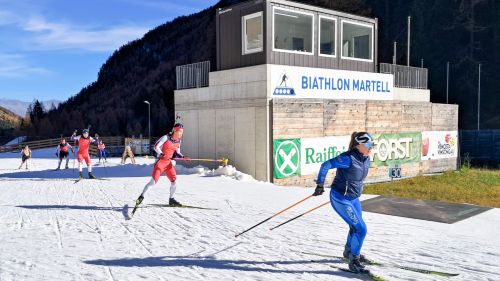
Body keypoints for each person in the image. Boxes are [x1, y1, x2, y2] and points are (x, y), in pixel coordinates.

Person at [312, 132, 374, 274]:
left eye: (372, 145)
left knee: (355, 227)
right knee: (361, 229)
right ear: (359, 145)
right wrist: (320, 184)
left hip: (353, 198)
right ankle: (354, 262)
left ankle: (349, 252)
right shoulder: (347, 158)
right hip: (341, 198)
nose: (371, 148)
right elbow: (326, 165)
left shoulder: (365, 157)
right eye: (368, 145)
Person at [134, 123, 190, 208]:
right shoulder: (166, 137)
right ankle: (141, 196)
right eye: (179, 131)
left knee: (174, 181)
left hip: (168, 164)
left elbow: (177, 152)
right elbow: (156, 146)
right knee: (153, 182)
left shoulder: (179, 141)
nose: (180, 134)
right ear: (175, 131)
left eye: (182, 132)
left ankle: (171, 199)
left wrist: (183, 157)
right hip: (161, 162)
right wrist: (162, 154)